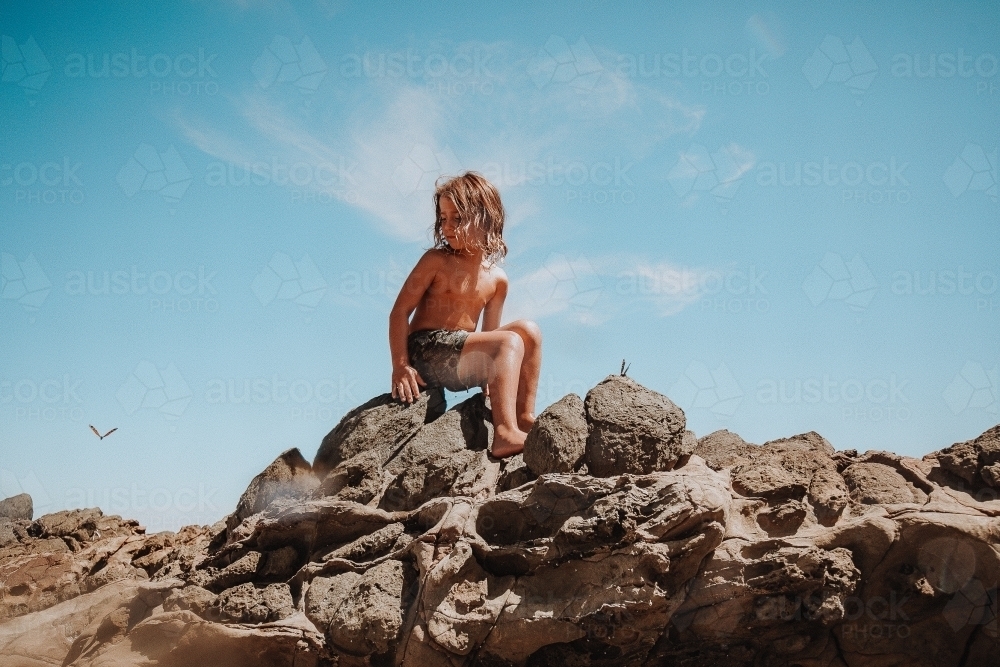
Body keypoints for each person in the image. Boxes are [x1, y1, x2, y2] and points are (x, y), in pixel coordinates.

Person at [389, 172, 541, 458]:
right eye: (443, 218)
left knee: (528, 332)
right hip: (427, 350)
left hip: (461, 353)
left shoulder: (497, 280)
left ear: (485, 219)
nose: (447, 226)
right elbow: (399, 312)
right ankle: (504, 433)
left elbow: (491, 338)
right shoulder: (436, 260)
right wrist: (400, 365)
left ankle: (522, 417)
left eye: (457, 218)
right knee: (507, 342)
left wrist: (491, 380)